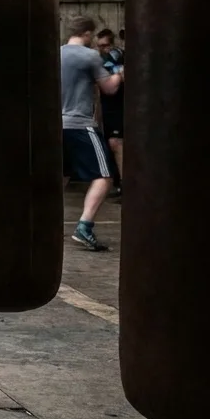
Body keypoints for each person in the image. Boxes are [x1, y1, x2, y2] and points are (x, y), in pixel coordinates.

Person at [61, 17, 124, 251]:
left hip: (57, 125)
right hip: (80, 124)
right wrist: (120, 73)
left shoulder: (56, 54)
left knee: (62, 176)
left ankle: (47, 225)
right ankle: (84, 226)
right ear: (87, 34)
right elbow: (110, 88)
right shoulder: (89, 56)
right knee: (105, 176)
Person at [95, 29, 126, 190]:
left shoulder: (116, 56)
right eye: (100, 46)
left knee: (116, 143)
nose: (103, 49)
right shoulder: (101, 59)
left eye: (106, 45)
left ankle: (124, 185)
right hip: (108, 106)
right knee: (111, 144)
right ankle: (119, 183)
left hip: (119, 105)